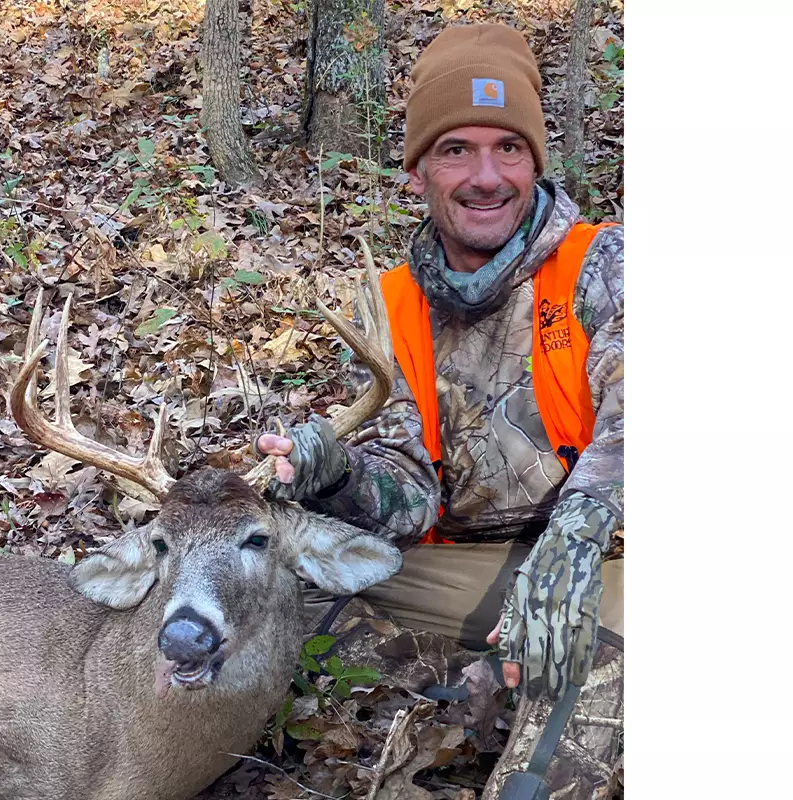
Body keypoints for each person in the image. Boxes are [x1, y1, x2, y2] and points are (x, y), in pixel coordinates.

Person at [255, 22, 623, 791]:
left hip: (605, 562)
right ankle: (481, 692)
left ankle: (544, 705)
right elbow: (407, 491)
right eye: (457, 149)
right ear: (418, 169)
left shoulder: (604, 265)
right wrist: (337, 475)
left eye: (509, 148)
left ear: (534, 161)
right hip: (464, 568)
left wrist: (576, 539)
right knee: (267, 581)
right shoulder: (392, 304)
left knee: (580, 643)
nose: (487, 177)